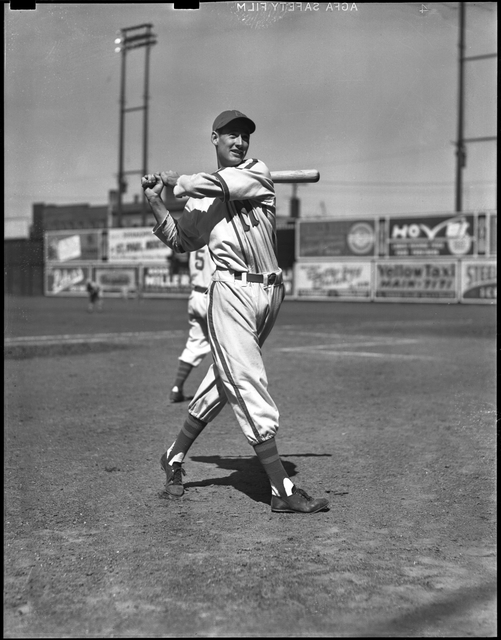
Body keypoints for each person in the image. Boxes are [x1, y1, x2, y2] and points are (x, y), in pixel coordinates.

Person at [141, 109, 329, 514]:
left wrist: (180, 181)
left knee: (223, 382)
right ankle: (281, 487)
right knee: (245, 378)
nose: (240, 142)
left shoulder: (255, 172)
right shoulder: (204, 194)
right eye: (231, 135)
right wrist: (159, 201)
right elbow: (180, 239)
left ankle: (173, 456)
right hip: (229, 291)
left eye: (245, 136)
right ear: (214, 138)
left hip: (270, 292)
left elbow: (214, 184)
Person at [169, 245, 214, 403]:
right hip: (213, 295)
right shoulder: (217, 232)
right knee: (230, 345)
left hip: (195, 296)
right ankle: (229, 392)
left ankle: (176, 387)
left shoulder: (197, 234)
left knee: (195, 343)